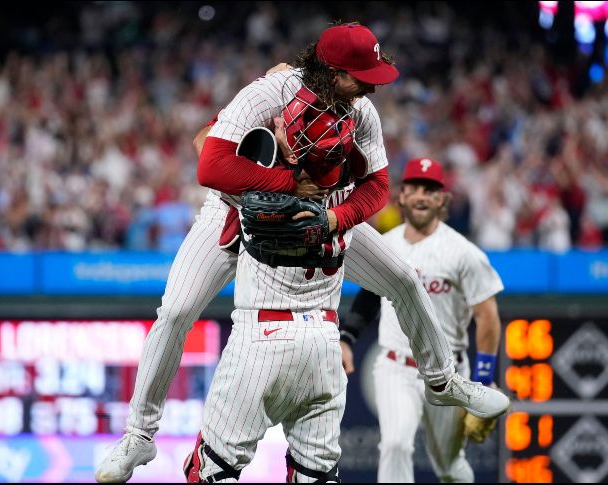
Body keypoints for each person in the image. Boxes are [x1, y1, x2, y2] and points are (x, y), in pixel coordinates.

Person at [96, 23, 508, 483]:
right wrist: (289, 184)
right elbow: (208, 160)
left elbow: (377, 188)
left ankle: (442, 381)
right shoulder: (271, 92)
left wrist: (335, 218)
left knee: (405, 279)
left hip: (320, 213)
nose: (370, 83)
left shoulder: (361, 110)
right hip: (234, 211)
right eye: (360, 73)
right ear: (331, 71)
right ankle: (139, 434)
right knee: (174, 312)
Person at [339, 157, 505, 483]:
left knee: (450, 465)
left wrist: (484, 377)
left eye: (429, 190)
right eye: (413, 187)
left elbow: (487, 316)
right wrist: (347, 338)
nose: (420, 196)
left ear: (442, 198)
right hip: (395, 367)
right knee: (396, 445)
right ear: (401, 196)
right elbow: (370, 296)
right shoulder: (386, 245)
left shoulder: (463, 252)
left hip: (449, 373)